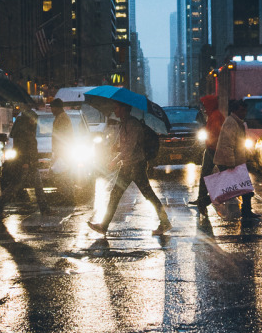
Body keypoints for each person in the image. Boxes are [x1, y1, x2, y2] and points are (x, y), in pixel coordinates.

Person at [88, 103, 171, 235]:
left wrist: (115, 160)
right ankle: (104, 226)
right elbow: (123, 146)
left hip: (135, 165)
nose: (115, 110)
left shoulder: (132, 124)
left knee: (147, 195)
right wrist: (115, 148)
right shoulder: (124, 123)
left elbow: (129, 148)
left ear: (124, 109)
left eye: (117, 108)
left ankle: (165, 222)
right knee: (116, 195)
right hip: (128, 165)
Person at [0, 109, 48, 216]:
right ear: (28, 120)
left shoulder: (27, 130)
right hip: (25, 163)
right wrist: (25, 162)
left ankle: (45, 209)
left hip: (30, 163)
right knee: (15, 186)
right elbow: (22, 149)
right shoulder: (23, 132)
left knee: (37, 185)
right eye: (32, 119)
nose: (34, 122)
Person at [211, 99, 255, 219]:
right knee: (239, 189)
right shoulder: (231, 122)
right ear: (235, 110)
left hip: (235, 161)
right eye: (242, 110)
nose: (244, 112)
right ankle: (246, 212)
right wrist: (230, 162)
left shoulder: (237, 121)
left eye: (245, 110)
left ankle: (247, 211)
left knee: (241, 188)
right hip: (230, 161)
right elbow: (227, 143)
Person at [190, 94, 224, 208]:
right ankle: (202, 199)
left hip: (214, 150)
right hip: (212, 149)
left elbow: (215, 134)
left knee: (214, 175)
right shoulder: (212, 116)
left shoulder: (215, 116)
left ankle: (205, 199)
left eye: (205, 105)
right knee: (206, 174)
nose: (203, 107)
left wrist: (210, 144)